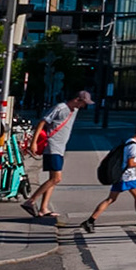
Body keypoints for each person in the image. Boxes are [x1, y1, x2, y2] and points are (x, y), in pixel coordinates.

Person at [22, 89, 92, 218]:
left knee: (52, 179)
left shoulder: (74, 110)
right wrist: (34, 142)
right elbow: (42, 122)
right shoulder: (60, 107)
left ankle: (43, 208)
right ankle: (31, 201)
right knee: (56, 178)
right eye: (83, 103)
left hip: (60, 148)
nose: (84, 106)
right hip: (52, 147)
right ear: (77, 99)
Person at [80, 123, 136, 233]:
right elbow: (131, 163)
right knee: (135, 197)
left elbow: (126, 161)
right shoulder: (134, 146)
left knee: (112, 199)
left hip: (121, 175)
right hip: (128, 176)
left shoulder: (128, 141)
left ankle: (90, 221)